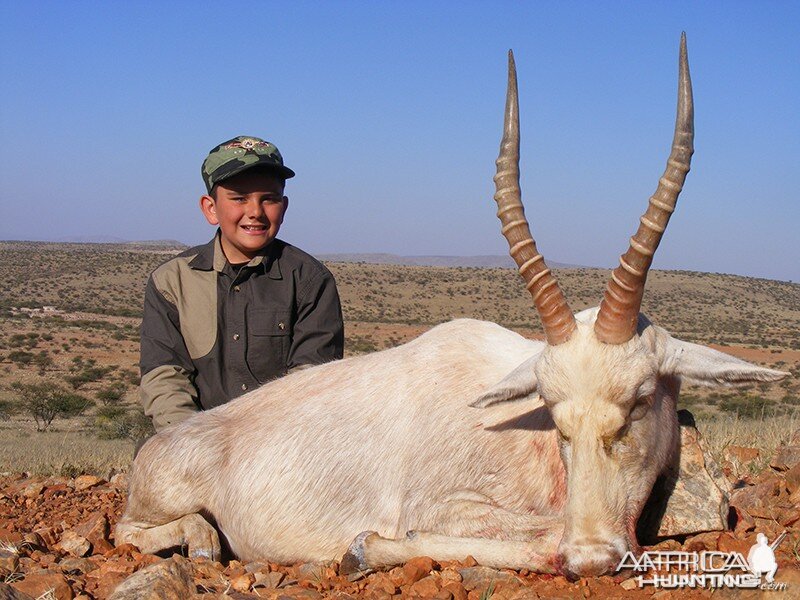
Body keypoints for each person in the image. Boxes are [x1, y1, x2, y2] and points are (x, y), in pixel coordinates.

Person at [139, 136, 344, 432]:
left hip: (278, 448)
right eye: (238, 198)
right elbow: (164, 377)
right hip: (191, 444)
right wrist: (191, 443)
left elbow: (310, 383)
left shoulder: (310, 280)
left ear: (283, 207)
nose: (255, 212)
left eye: (269, 199)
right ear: (210, 208)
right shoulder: (171, 281)